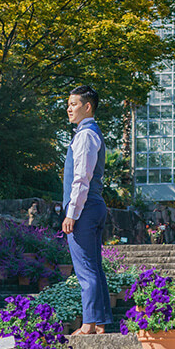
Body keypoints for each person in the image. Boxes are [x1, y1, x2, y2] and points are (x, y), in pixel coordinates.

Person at [61, 85, 112, 335]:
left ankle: (89, 323)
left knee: (85, 268)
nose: (69, 108)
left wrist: (71, 213)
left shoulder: (85, 135)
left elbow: (81, 177)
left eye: (73, 104)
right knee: (94, 266)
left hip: (85, 208)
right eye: (68, 104)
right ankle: (100, 322)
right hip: (94, 205)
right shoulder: (91, 133)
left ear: (87, 106)